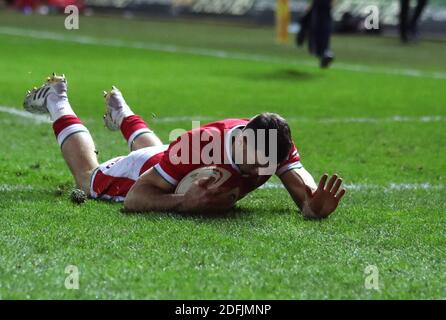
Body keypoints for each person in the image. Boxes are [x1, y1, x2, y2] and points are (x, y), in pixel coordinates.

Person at [23, 73, 346, 219]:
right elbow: (136, 199)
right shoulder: (200, 145)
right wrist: (182, 202)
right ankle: (57, 100)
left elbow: (306, 198)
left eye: (269, 166)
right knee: (88, 179)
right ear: (242, 140)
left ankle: (122, 112)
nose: (263, 172)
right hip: (144, 171)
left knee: (169, 156)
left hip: (170, 159)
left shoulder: (273, 143)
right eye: (257, 163)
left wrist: (313, 208)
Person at [296, 0, 335, 68]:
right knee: (320, 29)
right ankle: (324, 53)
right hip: (324, 6)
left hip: (319, 6)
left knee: (316, 30)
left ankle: (323, 53)